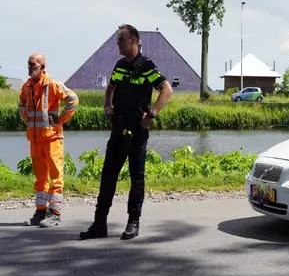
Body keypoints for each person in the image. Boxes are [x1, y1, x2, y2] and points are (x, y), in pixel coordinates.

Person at [79, 24, 173, 240]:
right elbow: (110, 87)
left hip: (137, 132)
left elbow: (167, 89)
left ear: (133, 41)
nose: (117, 44)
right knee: (108, 177)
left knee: (136, 178)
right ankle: (99, 224)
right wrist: (106, 105)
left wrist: (152, 114)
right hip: (118, 129)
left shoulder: (147, 65)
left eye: (120, 40)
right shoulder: (120, 65)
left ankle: (133, 222)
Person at [18, 53, 79, 227]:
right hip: (35, 139)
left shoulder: (52, 84)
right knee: (40, 177)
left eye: (33, 65)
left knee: (56, 176)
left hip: (52, 138)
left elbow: (73, 100)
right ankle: (40, 212)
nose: (30, 67)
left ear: (42, 68)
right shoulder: (27, 86)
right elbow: (21, 103)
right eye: (29, 64)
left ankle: (55, 214)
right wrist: (27, 119)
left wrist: (61, 119)